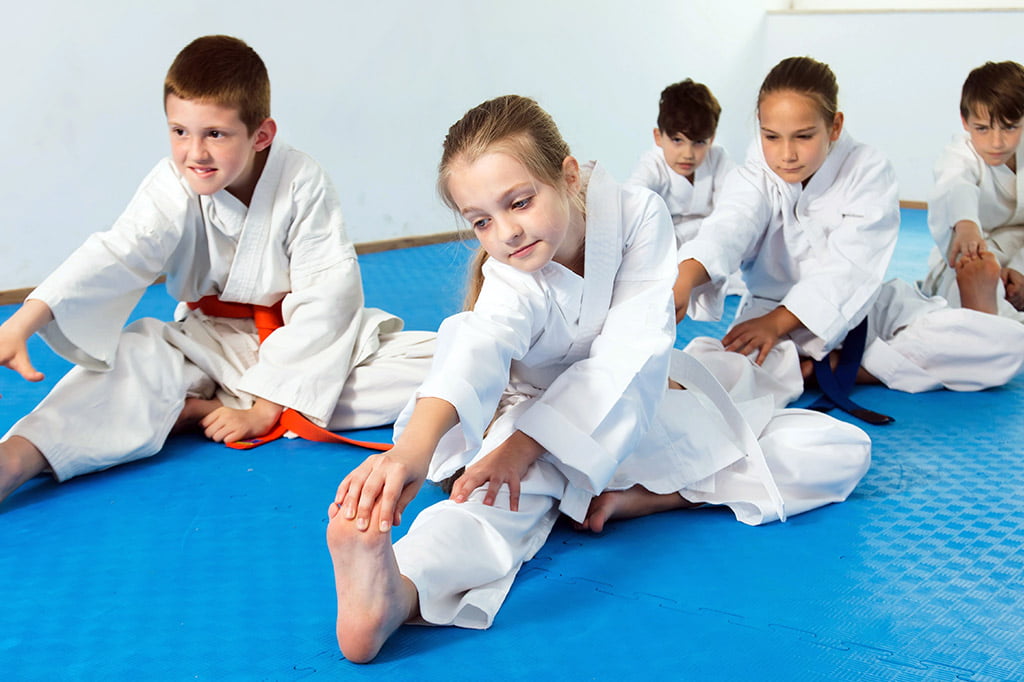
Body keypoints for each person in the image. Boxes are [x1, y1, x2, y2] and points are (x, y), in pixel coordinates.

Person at [326, 94, 872, 663]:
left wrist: (525, 446)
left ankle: (642, 499)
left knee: (836, 446)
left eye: (520, 202)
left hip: (627, 416)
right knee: (484, 508)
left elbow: (626, 359)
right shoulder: (512, 275)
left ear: (566, 174)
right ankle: (395, 592)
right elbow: (475, 348)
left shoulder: (636, 216)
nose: (507, 232)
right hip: (533, 429)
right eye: (482, 221)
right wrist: (409, 454)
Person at [0, 35, 434, 503]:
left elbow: (328, 297)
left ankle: (197, 407)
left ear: (261, 135)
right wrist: (23, 322)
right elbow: (119, 251)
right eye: (179, 131)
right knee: (132, 361)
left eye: (216, 134)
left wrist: (265, 409)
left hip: (298, 340)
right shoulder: (173, 182)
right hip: (204, 340)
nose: (194, 153)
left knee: (438, 363)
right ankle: (17, 458)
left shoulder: (301, 181)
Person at [673, 56, 1024, 419]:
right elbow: (729, 227)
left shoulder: (868, 170)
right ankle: (840, 366)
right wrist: (687, 275)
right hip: (768, 310)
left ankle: (842, 368)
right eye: (771, 137)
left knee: (1006, 346)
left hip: (870, 308)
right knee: (724, 370)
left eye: (804, 136)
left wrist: (781, 321)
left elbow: (851, 268)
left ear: (835, 126)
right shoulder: (754, 176)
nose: (787, 154)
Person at [921, 60, 1024, 321]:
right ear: (965, 122)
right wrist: (965, 224)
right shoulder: (958, 155)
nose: (996, 142)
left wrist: (1019, 270)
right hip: (976, 249)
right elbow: (957, 185)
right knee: (972, 295)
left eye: (1010, 127)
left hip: (1020, 250)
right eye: (982, 128)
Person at [627, 79, 744, 296]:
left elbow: (733, 208)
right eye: (677, 140)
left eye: (699, 142)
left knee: (733, 281)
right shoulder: (652, 165)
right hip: (669, 246)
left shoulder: (718, 159)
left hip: (710, 242)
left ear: (712, 139)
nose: (688, 154)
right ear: (658, 137)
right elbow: (632, 203)